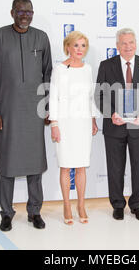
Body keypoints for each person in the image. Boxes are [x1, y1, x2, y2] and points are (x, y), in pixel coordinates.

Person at [0, 0, 52, 231]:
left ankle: (35, 211)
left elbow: (48, 75)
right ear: (12, 12)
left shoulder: (41, 37)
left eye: (29, 12)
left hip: (34, 111)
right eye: (21, 11)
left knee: (34, 163)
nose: (25, 15)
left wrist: (46, 106)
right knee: (8, 163)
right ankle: (6, 212)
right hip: (7, 111)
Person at [95, 28, 139, 221]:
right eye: (124, 43)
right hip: (115, 126)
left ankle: (137, 205)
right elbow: (99, 95)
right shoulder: (106, 66)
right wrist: (111, 113)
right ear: (117, 46)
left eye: (131, 42)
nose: (128, 46)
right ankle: (117, 205)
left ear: (135, 43)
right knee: (115, 168)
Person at [49, 31, 99, 225]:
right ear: (67, 47)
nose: (79, 49)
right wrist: (54, 124)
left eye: (83, 46)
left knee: (81, 167)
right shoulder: (59, 69)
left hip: (83, 122)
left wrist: (93, 119)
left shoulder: (88, 69)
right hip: (65, 122)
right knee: (65, 166)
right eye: (76, 45)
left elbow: (91, 96)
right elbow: (53, 97)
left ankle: (81, 204)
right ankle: (67, 205)